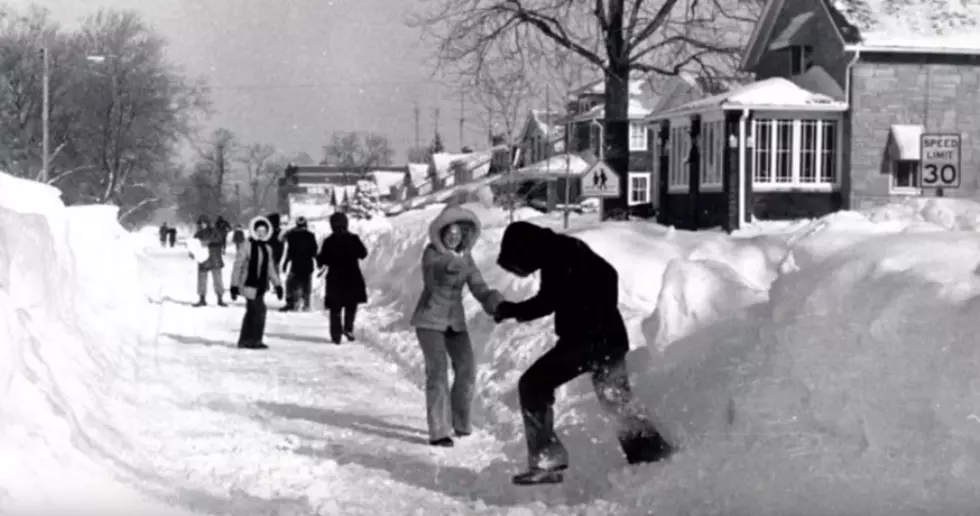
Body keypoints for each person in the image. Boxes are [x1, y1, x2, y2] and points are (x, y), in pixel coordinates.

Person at [493, 221, 673, 485]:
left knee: (533, 384)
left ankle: (547, 458)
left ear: (525, 249)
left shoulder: (557, 254)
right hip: (608, 340)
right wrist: (598, 308)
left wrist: (508, 310)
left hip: (585, 341)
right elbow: (608, 274)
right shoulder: (568, 249)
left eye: (518, 264)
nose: (522, 271)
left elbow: (545, 302)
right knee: (615, 400)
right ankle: (653, 456)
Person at [409, 203, 503, 447]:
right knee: (437, 371)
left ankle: (460, 422)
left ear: (464, 235)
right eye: (448, 233)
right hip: (429, 321)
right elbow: (432, 275)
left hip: (455, 323)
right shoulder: (432, 253)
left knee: (467, 369)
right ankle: (439, 431)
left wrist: (492, 300)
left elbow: (478, 285)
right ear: (441, 234)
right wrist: (450, 265)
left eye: (457, 234)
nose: (452, 238)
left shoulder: (466, 258)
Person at [229, 216, 284, 349]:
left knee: (252, 312)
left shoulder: (267, 248)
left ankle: (244, 340)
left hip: (261, 285)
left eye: (264, 231)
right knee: (259, 310)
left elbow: (270, 268)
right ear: (254, 231)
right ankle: (255, 340)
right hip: (248, 283)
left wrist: (277, 285)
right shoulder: (246, 246)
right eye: (259, 231)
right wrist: (234, 285)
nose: (261, 234)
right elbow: (238, 266)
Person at [316, 212, 368, 344]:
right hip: (352, 276)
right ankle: (348, 328)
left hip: (335, 278)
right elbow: (363, 253)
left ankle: (336, 334)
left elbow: (322, 260)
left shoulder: (329, 241)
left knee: (335, 308)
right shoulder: (353, 238)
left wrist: (320, 258)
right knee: (351, 305)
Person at [280, 216, 319, 312]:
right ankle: (306, 303)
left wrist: (285, 263)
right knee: (307, 284)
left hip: (296, 265)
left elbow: (289, 251)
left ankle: (292, 302)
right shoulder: (311, 235)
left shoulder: (292, 235)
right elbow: (314, 251)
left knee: (292, 283)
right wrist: (319, 262)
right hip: (308, 265)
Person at [192, 215, 227, 307]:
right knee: (201, 280)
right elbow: (194, 245)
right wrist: (192, 252)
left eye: (204, 223)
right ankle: (202, 299)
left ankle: (220, 299)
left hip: (214, 257)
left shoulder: (214, 231)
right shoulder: (198, 234)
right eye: (201, 223)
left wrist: (208, 241)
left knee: (218, 280)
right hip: (203, 259)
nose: (202, 225)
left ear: (207, 223)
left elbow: (219, 239)